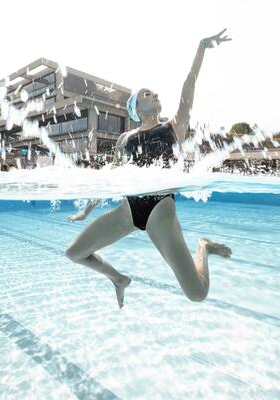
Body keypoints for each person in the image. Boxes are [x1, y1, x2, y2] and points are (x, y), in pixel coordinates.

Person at [65, 29, 233, 308]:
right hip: (128, 211)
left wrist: (201, 48)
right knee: (75, 253)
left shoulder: (173, 127)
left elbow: (188, 86)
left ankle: (203, 246)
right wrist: (87, 210)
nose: (154, 94)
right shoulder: (124, 139)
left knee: (197, 293)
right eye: (147, 93)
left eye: (155, 93)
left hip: (160, 212)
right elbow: (111, 178)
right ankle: (118, 279)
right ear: (135, 107)